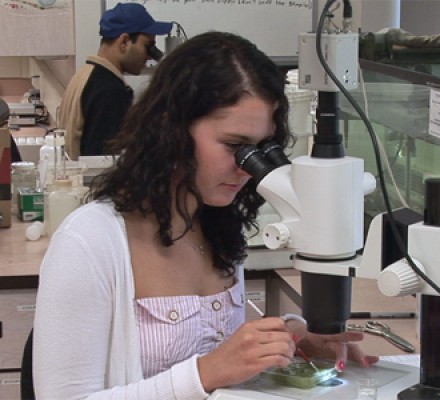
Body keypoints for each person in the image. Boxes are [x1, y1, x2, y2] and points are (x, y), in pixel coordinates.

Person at [33, 31, 379, 399]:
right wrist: (203, 374)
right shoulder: (89, 243)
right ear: (171, 127)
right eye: (234, 146)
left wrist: (292, 342)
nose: (248, 168)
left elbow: (210, 346)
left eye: (261, 149)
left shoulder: (216, 225)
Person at [58, 2, 173, 160]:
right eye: (148, 46)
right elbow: (103, 161)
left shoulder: (85, 76)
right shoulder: (109, 90)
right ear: (125, 42)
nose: (149, 56)